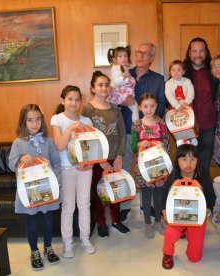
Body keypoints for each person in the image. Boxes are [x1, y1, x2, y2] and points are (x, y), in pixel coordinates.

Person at [9, 104, 61, 271]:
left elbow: (57, 163)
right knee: (31, 221)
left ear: (42, 121)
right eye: (30, 120)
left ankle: (48, 248)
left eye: (38, 119)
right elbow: (11, 164)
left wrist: (57, 184)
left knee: (47, 220)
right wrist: (20, 159)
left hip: (47, 189)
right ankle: (34, 251)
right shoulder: (18, 143)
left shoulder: (48, 141)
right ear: (23, 122)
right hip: (29, 191)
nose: (34, 124)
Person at [120, 42, 166, 220]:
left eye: (145, 53)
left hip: (149, 135)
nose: (140, 56)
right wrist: (120, 102)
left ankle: (149, 205)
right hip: (125, 128)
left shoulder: (158, 79)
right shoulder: (124, 74)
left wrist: (153, 127)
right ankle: (124, 206)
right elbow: (113, 97)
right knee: (124, 168)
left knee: (149, 169)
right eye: (138, 52)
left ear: (152, 58)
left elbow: (161, 105)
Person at [81, 71, 130, 239]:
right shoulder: (87, 109)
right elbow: (85, 138)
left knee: (115, 189)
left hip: (114, 158)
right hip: (96, 160)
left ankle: (116, 220)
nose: (104, 88)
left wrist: (119, 156)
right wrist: (100, 161)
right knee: (98, 191)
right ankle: (101, 222)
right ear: (93, 88)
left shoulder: (115, 109)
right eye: (100, 85)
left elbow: (122, 134)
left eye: (106, 84)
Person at [51, 85, 96, 258]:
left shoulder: (87, 121)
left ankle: (85, 239)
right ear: (63, 100)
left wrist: (89, 163)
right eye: (70, 99)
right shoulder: (57, 119)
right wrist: (71, 128)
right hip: (66, 167)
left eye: (77, 99)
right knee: (68, 207)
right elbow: (60, 145)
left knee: (84, 204)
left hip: (85, 168)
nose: (74, 103)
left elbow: (91, 147)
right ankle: (67, 244)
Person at [183, 37, 219, 211]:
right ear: (189, 53)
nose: (198, 54)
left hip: (209, 127)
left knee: (203, 168)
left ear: (206, 52)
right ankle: (189, 207)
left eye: (201, 50)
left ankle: (209, 206)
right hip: (186, 129)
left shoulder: (214, 73)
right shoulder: (181, 74)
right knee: (187, 168)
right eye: (194, 51)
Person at [161, 144, 206, 270]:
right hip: (178, 213)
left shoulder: (203, 176)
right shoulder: (173, 177)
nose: (188, 163)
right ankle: (167, 254)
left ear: (197, 161)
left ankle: (186, 231)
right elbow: (164, 198)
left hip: (196, 217)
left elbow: (211, 198)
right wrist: (164, 211)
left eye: (192, 159)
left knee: (194, 258)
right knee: (170, 233)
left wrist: (200, 189)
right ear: (177, 161)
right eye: (184, 159)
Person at [131, 93, 170, 239]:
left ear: (156, 106)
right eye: (145, 106)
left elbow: (166, 142)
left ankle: (159, 221)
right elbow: (133, 147)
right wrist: (140, 144)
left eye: (152, 106)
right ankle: (148, 224)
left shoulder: (161, 124)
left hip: (159, 166)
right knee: (146, 196)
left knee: (159, 196)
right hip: (143, 168)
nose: (149, 109)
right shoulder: (136, 125)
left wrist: (162, 146)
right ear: (140, 107)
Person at [107, 46, 139, 121]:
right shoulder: (116, 68)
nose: (123, 58)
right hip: (119, 92)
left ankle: (135, 125)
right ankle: (136, 126)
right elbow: (116, 82)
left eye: (125, 56)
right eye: (120, 56)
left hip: (123, 92)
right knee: (135, 108)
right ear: (115, 59)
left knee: (134, 109)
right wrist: (125, 77)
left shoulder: (124, 67)